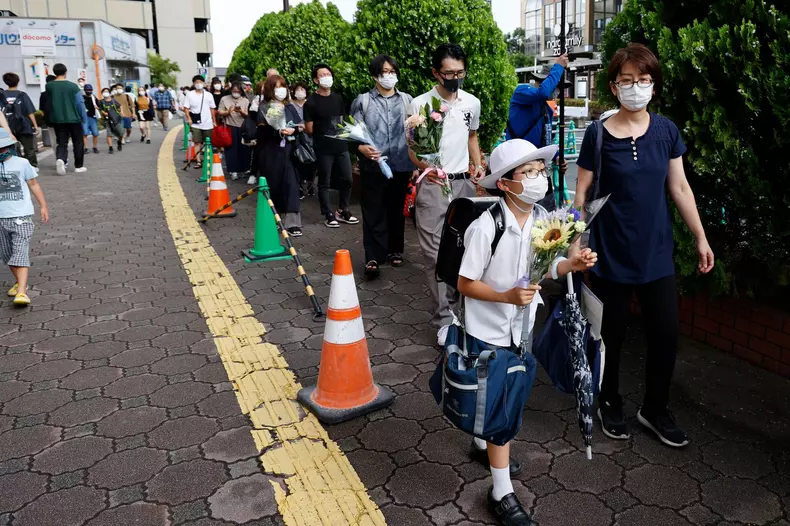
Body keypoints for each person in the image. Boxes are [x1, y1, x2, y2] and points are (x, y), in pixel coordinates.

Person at [574, 43, 715, 448]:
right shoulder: (597, 134)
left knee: (665, 334)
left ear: (654, 84)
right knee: (610, 336)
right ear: (614, 86)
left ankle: (654, 409)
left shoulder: (667, 131)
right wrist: (573, 248)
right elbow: (580, 196)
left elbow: (680, 187)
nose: (636, 87)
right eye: (627, 81)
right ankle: (609, 401)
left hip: (656, 253)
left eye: (644, 80)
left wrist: (701, 237)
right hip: (608, 253)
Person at [459, 138, 597, 526]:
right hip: (486, 330)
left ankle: (481, 441)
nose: (538, 179)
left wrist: (572, 265)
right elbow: (465, 283)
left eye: (540, 171)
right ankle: (501, 492)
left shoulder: (541, 218)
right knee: (504, 404)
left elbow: (546, 269)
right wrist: (505, 295)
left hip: (521, 328)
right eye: (528, 173)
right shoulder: (487, 227)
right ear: (504, 183)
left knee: (500, 396)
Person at [407, 43, 483, 346]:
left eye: (460, 72)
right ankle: (444, 319)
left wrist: (477, 165)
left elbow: (472, 136)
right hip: (432, 184)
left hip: (464, 185)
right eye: (449, 73)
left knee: (463, 251)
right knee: (434, 253)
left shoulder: (471, 103)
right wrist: (430, 168)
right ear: (436, 73)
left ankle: (461, 311)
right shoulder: (420, 105)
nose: (454, 78)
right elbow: (412, 150)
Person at [350, 55, 414, 278]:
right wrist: (361, 148)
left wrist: (416, 161)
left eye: (392, 71)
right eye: (384, 72)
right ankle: (373, 256)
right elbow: (353, 132)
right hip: (373, 165)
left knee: (396, 210)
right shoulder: (363, 100)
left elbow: (415, 134)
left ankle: (395, 250)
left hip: (401, 163)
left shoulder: (407, 100)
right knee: (373, 210)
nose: (389, 76)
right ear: (375, 75)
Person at [304, 63, 358, 228]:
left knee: (348, 178)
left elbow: (342, 120)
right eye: (322, 75)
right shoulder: (311, 102)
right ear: (315, 80)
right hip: (323, 147)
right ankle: (327, 213)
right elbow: (309, 128)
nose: (326, 77)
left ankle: (343, 210)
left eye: (328, 74)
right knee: (324, 181)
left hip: (341, 145)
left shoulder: (338, 98)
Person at [0, 128, 49, 307]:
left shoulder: (22, 163)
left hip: (22, 217)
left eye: (4, 148)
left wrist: (43, 206)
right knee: (8, 256)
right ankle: (19, 282)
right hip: (1, 219)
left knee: (19, 253)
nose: (1, 151)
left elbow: (34, 185)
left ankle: (21, 292)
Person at [257, 75, 303, 235]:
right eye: (277, 87)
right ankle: (274, 218)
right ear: (270, 89)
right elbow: (261, 131)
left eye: (283, 86)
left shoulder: (289, 107)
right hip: (271, 152)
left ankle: (292, 223)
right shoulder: (264, 107)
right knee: (274, 185)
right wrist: (276, 132)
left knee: (291, 184)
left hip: (289, 152)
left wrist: (294, 130)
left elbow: (300, 125)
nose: (281, 90)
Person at [505, 53, 568, 146]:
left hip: (537, 158)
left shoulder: (548, 110)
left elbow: (546, 140)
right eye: (555, 86)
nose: (557, 91)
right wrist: (558, 67)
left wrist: (556, 156)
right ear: (544, 83)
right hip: (518, 154)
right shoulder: (521, 91)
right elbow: (543, 93)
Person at [46, 63, 87, 175]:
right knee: (78, 142)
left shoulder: (49, 86)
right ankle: (78, 166)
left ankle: (61, 160)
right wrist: (83, 117)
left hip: (58, 119)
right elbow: (79, 103)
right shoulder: (73, 86)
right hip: (74, 118)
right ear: (65, 72)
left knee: (62, 142)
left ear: (54, 73)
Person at [1, 73, 38, 169]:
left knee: (12, 149)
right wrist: (35, 126)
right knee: (29, 148)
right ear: (18, 81)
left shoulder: (1, 96)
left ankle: (16, 166)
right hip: (24, 125)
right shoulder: (22, 95)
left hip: (7, 127)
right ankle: (32, 166)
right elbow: (30, 112)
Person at [182, 75, 216, 169]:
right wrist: (188, 118)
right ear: (193, 83)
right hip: (195, 123)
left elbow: (212, 108)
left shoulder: (209, 95)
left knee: (207, 142)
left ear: (204, 83)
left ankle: (208, 159)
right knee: (197, 142)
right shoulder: (190, 94)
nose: (198, 84)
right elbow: (186, 108)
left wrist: (214, 121)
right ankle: (198, 161)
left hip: (207, 122)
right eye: (196, 82)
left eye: (200, 82)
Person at [217, 82, 250, 179]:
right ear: (231, 90)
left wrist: (241, 111)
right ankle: (233, 170)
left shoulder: (245, 101)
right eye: (234, 91)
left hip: (243, 127)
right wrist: (228, 112)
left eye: (238, 91)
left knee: (243, 149)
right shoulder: (224, 99)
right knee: (231, 149)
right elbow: (219, 111)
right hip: (229, 126)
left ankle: (244, 169)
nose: (236, 93)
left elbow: (248, 115)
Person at [289, 82, 315, 197]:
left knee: (311, 161)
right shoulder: (290, 105)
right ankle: (299, 186)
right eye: (298, 89)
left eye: (303, 89)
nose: (300, 92)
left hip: (310, 136)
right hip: (295, 137)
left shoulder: (310, 104)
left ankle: (310, 185)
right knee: (297, 161)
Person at [97, 87, 123, 153]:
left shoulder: (113, 100)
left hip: (116, 119)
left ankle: (119, 142)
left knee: (121, 133)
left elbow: (120, 106)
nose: (106, 93)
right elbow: (100, 109)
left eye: (107, 91)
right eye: (104, 92)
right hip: (107, 120)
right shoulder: (101, 101)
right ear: (102, 93)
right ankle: (110, 147)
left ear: (109, 93)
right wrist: (103, 113)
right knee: (109, 134)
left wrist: (121, 112)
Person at [82, 84, 100, 154]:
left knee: (95, 133)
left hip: (93, 117)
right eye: (87, 90)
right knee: (85, 133)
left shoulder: (94, 97)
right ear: (85, 90)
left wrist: (97, 107)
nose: (89, 91)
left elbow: (99, 106)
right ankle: (86, 148)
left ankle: (95, 147)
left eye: (90, 90)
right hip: (84, 117)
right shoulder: (82, 97)